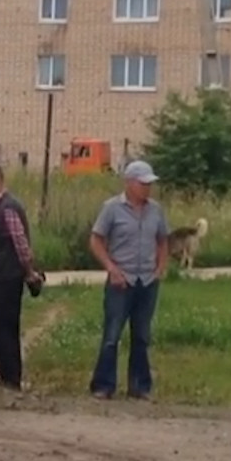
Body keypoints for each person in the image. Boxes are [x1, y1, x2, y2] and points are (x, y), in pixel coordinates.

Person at [87, 159, 170, 401]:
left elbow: (163, 239)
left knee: (142, 336)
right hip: (120, 281)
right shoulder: (112, 208)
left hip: (147, 280)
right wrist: (111, 268)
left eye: (149, 184)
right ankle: (103, 385)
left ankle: (140, 386)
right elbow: (96, 239)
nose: (148, 188)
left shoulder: (156, 210)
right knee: (112, 336)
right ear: (130, 183)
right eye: (143, 183)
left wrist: (160, 267)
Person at [0, 160, 42, 391]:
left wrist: (29, 272)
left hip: (8, 277)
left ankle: (10, 377)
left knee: (1, 326)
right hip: (4, 276)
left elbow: (20, 243)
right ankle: (8, 375)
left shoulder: (8, 208)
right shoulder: (2, 206)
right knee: (0, 325)